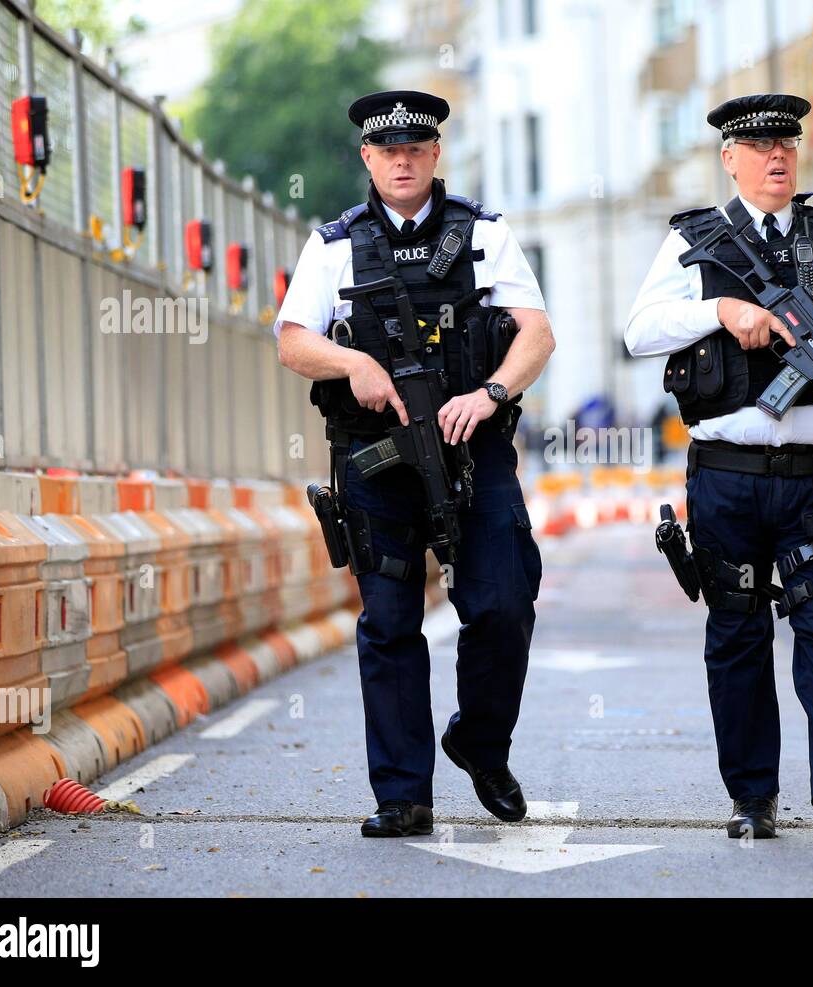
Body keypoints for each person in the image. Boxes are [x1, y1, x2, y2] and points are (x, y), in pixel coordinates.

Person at [625, 93, 813, 842]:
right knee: (738, 630)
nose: (776, 157)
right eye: (758, 148)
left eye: (786, 143)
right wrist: (720, 313)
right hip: (727, 474)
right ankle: (752, 796)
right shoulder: (696, 241)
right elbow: (639, 331)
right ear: (731, 158)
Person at [275, 89, 555, 838]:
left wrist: (493, 391)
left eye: (415, 149)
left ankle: (480, 743)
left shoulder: (483, 235)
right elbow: (293, 339)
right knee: (390, 622)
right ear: (367, 158)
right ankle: (403, 794)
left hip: (476, 449)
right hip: (376, 458)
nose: (401, 160)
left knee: (501, 604)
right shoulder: (333, 244)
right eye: (386, 150)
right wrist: (354, 363)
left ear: (435, 155)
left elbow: (536, 334)